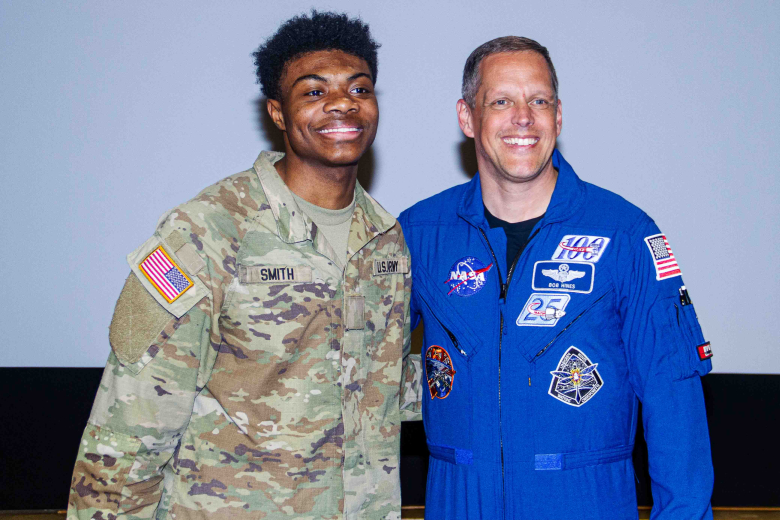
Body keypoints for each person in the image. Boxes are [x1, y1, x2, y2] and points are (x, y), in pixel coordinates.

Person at [67, 11, 421, 520]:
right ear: (278, 113)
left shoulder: (385, 241)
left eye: (359, 89)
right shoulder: (207, 229)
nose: (343, 102)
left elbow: (377, 384)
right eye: (314, 91)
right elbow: (131, 425)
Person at [398, 36, 713, 519]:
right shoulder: (421, 234)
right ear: (467, 117)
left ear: (558, 116)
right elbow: (360, 374)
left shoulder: (624, 234)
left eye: (539, 101)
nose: (523, 117)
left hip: (585, 503)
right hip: (461, 502)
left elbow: (674, 401)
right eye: (501, 101)